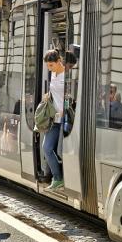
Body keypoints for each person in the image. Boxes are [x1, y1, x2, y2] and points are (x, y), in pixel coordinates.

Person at [42, 50, 66, 191]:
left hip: (64, 119)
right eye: (48, 66)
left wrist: (65, 109)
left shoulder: (66, 75)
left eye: (51, 65)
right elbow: (55, 91)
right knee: (47, 148)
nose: (49, 68)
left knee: (61, 150)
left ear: (58, 61)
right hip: (53, 118)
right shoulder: (54, 73)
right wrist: (48, 95)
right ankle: (57, 178)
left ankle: (63, 178)